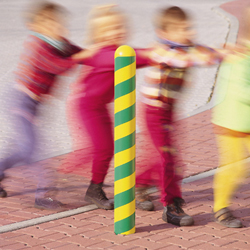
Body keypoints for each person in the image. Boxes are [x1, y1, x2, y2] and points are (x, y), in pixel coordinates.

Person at [0, 1, 97, 210]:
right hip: (21, 101)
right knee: (32, 150)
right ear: (34, 25)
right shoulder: (37, 44)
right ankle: (44, 194)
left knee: (23, 149)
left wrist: (97, 56)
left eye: (57, 22)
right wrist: (81, 57)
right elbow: (57, 65)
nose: (54, 26)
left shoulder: (58, 42)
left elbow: (76, 52)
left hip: (34, 105)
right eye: (48, 23)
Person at [135, 6, 225, 226]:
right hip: (154, 111)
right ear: (165, 32)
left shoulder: (186, 47)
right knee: (169, 157)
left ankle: (138, 184)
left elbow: (207, 53)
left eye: (188, 27)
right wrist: (204, 58)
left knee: (162, 155)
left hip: (169, 110)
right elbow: (182, 60)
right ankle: (171, 205)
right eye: (181, 29)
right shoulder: (162, 50)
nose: (188, 32)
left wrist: (226, 53)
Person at [64, 5, 151, 210]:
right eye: (111, 29)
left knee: (105, 148)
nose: (118, 31)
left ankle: (92, 188)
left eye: (120, 26)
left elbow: (136, 59)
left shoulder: (119, 51)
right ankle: (61, 180)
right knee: (100, 148)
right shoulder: (104, 53)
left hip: (99, 106)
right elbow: (134, 58)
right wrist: (156, 53)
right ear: (100, 34)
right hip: (86, 106)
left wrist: (157, 54)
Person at [211, 7, 250, 229]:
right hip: (232, 123)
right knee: (234, 167)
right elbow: (240, 90)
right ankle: (220, 207)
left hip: (246, 122)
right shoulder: (241, 58)